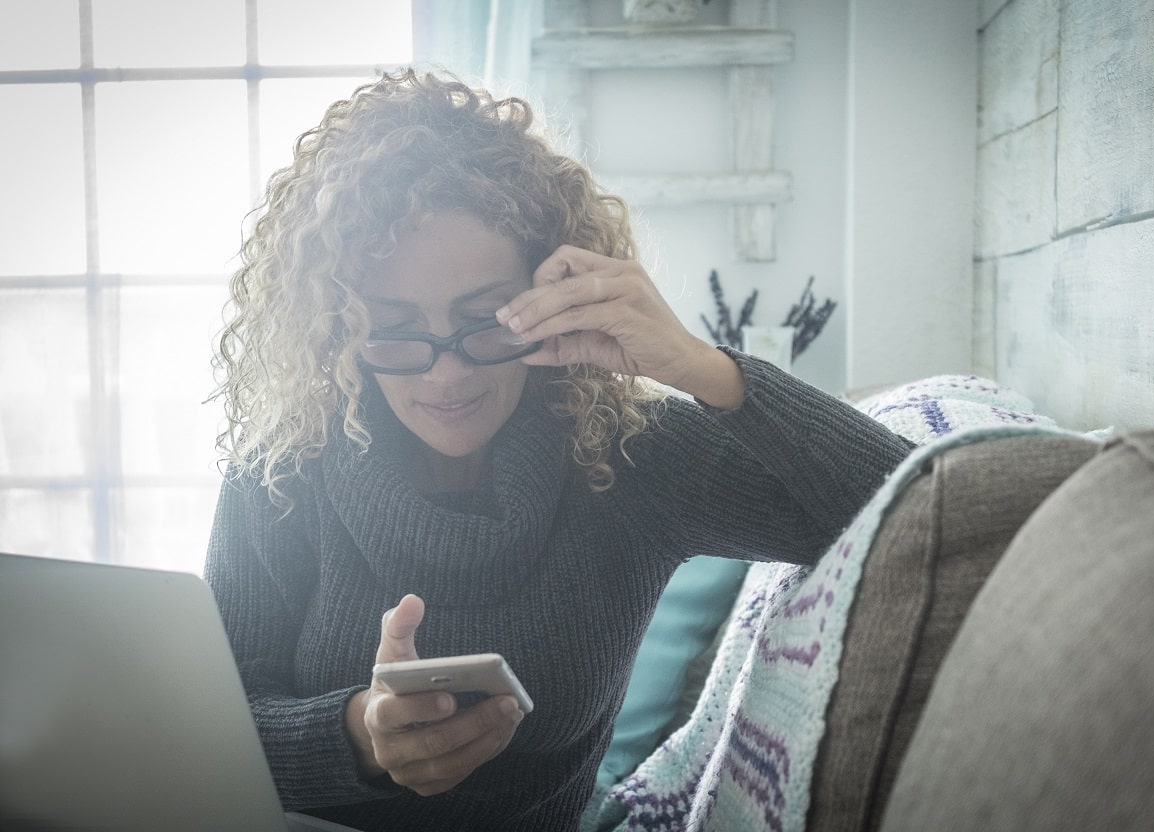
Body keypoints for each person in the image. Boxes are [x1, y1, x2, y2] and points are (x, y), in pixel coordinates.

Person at [205, 69, 914, 832]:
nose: (447, 372)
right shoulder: (279, 472)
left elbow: (928, 508)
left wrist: (700, 367)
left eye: (488, 319)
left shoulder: (628, 460)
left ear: (549, 294)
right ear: (337, 328)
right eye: (394, 330)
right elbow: (208, 727)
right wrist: (358, 737)